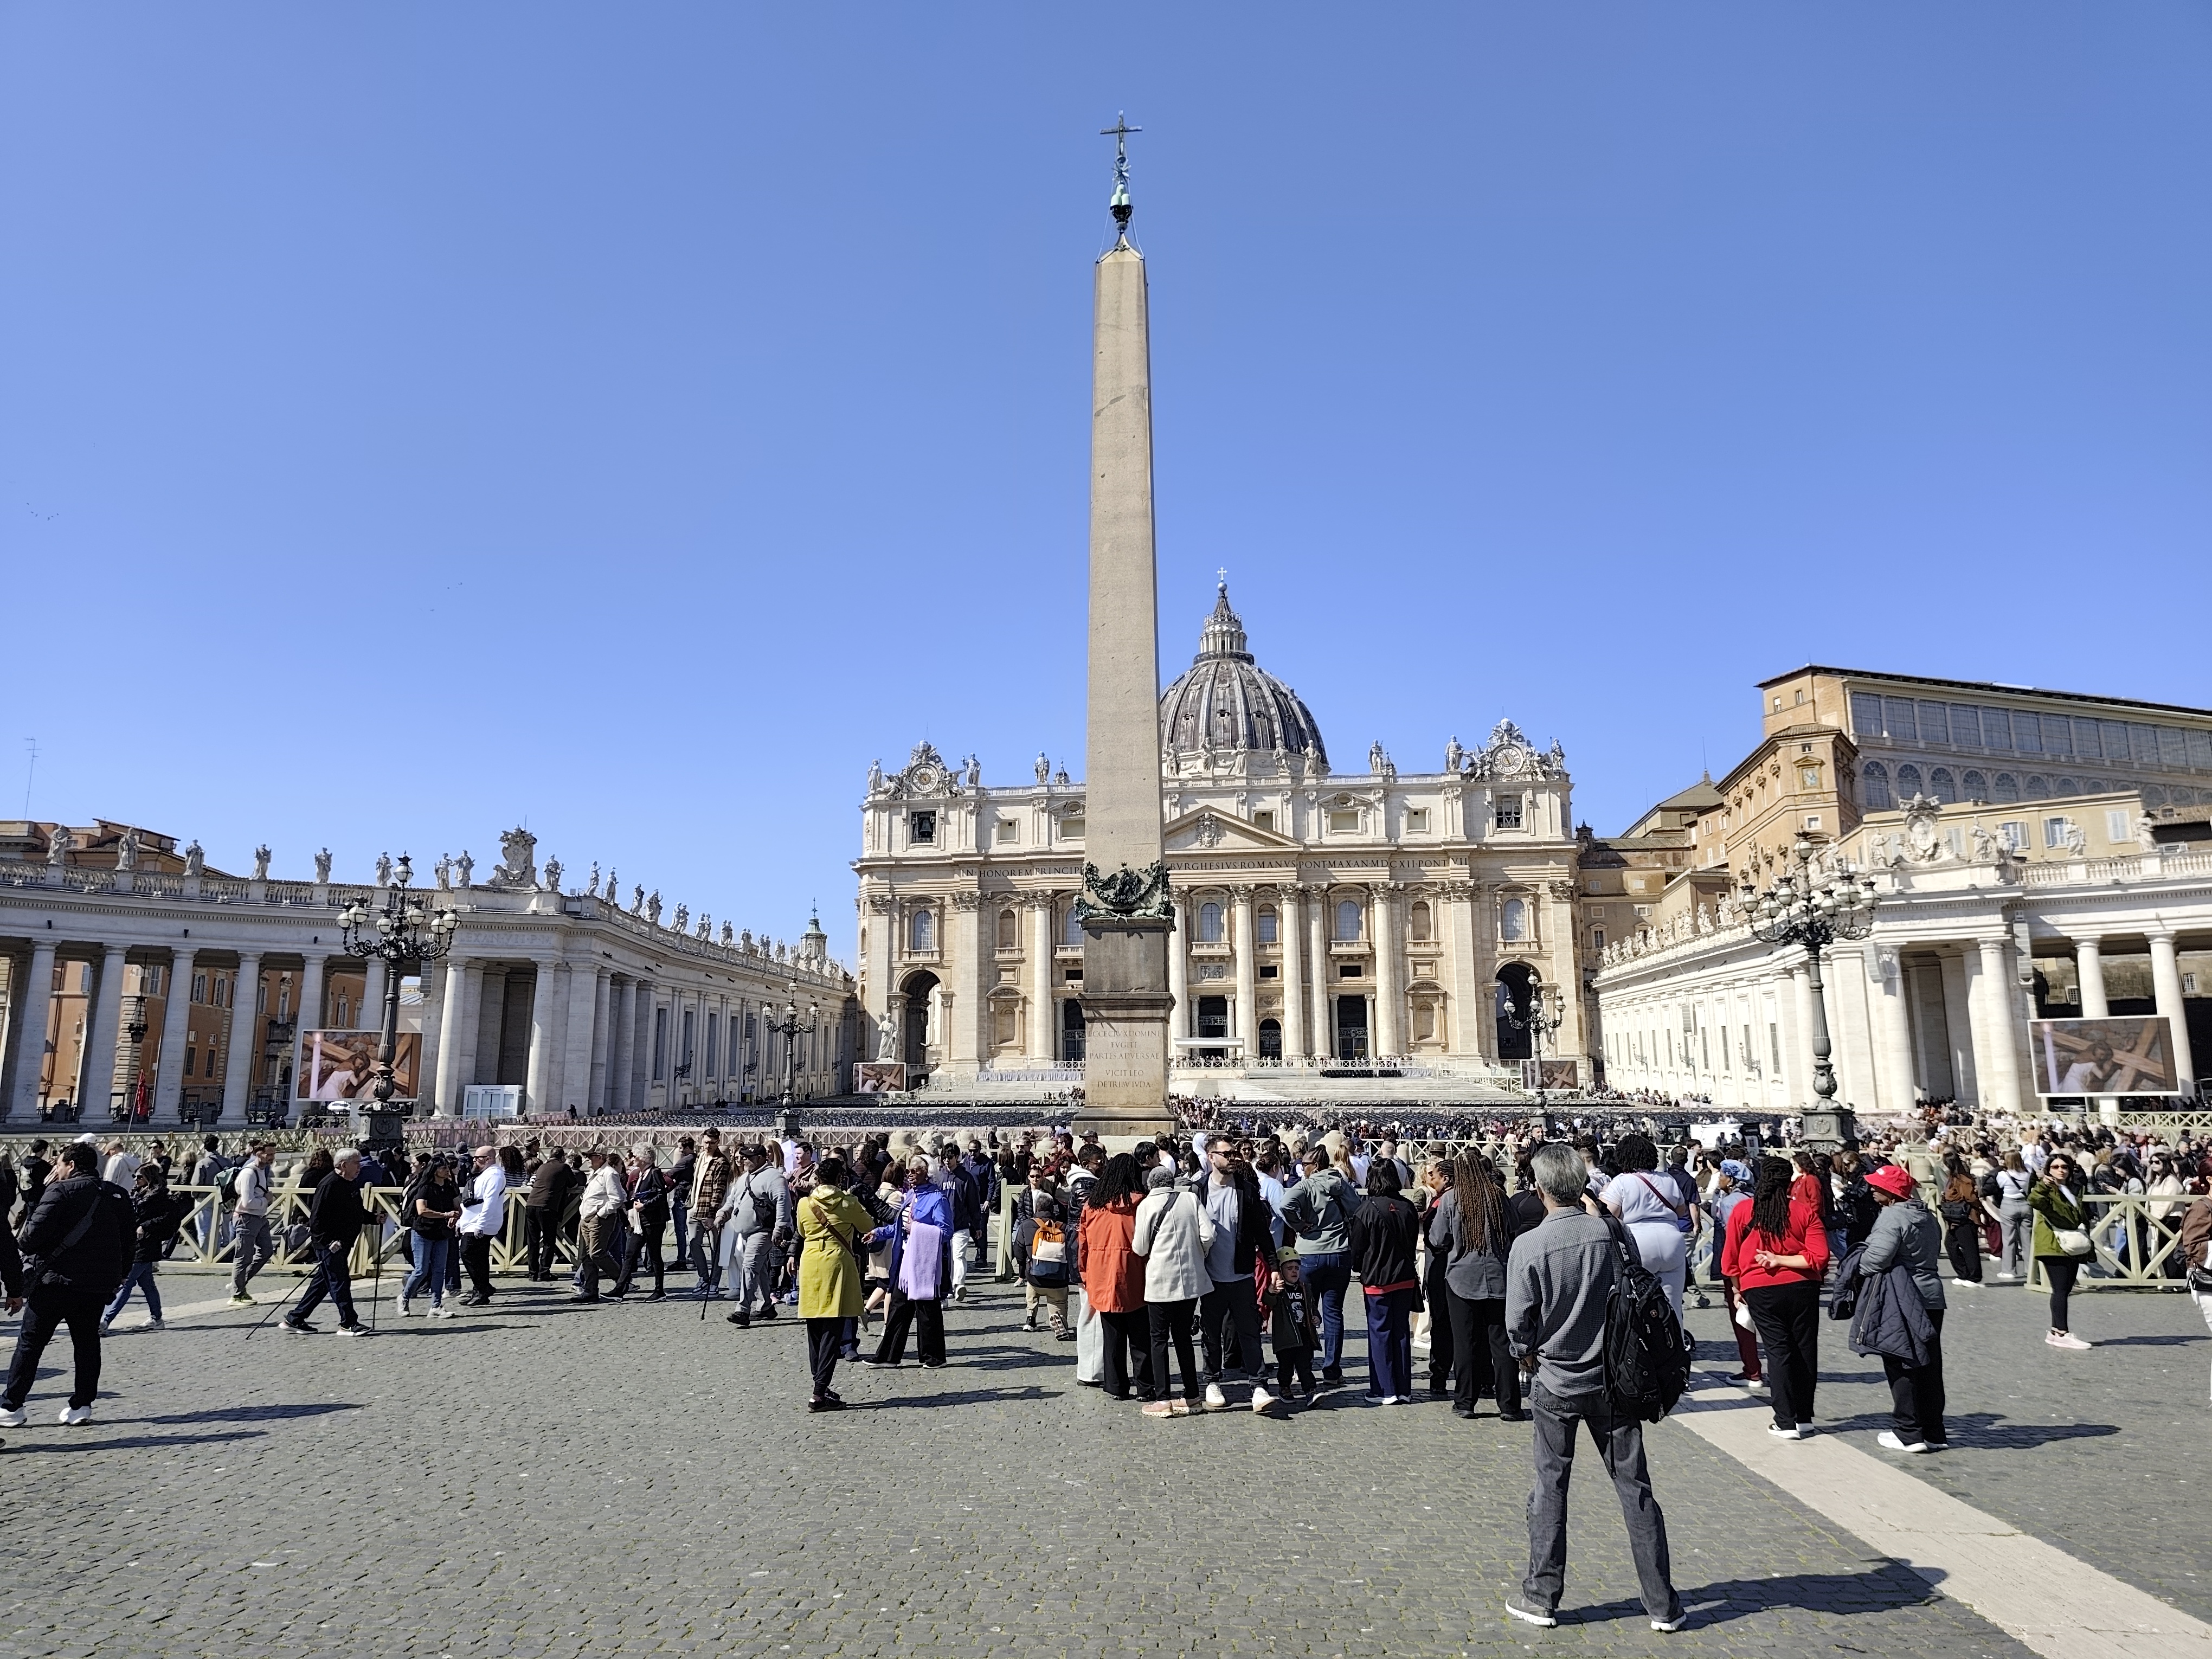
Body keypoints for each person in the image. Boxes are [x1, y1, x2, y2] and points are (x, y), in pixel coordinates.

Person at [1503, 1142, 1686, 1632]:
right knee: (1635, 1488)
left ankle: (1541, 1596)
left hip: (1556, 1381)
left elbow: (1518, 1324)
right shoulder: (1612, 1234)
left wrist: (1527, 1352)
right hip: (1614, 1379)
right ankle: (1662, 1604)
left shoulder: (1529, 1246)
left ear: (1539, 1190)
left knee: (1551, 1486)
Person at [1, 1142, 136, 1427]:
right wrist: (122, 1274)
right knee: (87, 1345)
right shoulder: (117, 1194)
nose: (57, 1169)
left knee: (30, 1344)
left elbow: (29, 1238)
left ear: (71, 1165)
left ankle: (12, 1405)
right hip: (96, 1285)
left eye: (60, 1164)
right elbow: (128, 1241)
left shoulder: (60, 1191)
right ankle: (82, 1406)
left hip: (54, 1282)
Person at [1722, 1155, 1830, 1439]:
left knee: (1778, 1351)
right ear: (1789, 1183)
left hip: (1760, 1288)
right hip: (1803, 1286)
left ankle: (1785, 1421)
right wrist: (1785, 1259)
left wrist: (1737, 1290)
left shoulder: (1744, 1211)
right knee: (1805, 1350)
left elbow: (1730, 1260)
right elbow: (1819, 1257)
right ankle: (1804, 1417)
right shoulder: (1804, 1212)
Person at [1859, 1163, 1948, 1452]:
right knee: (1929, 1365)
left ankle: (1908, 1433)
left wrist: (1857, 1264)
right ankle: (1934, 1431)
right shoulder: (1928, 1216)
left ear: (1893, 1193)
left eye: (1878, 1186)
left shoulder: (1892, 1216)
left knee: (1901, 1361)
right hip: (1932, 1295)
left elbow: (1877, 1258)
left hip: (1902, 1296)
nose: (1872, 1189)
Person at [1433, 1150, 1522, 1420]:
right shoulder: (1498, 1195)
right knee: (1502, 1343)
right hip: (1499, 1276)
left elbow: (1438, 1238)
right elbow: (1514, 1225)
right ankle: (1509, 1405)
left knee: (1466, 1343)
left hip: (1462, 1278)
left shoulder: (1451, 1199)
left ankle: (1465, 1402)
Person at [795, 1157, 889, 1412]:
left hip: (810, 1262)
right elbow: (868, 1225)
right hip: (836, 1262)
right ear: (840, 1179)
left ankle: (820, 1385)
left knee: (814, 1327)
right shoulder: (848, 1203)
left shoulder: (805, 1204)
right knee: (833, 1328)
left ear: (817, 1179)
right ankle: (818, 1393)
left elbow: (802, 1232)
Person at [1133, 1165, 1216, 1419]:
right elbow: (1208, 1235)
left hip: (1161, 1282)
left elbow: (1140, 1248)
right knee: (1183, 1338)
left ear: (1150, 1185)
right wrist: (1199, 1254)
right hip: (1190, 1282)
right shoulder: (1190, 1199)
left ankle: (1163, 1399)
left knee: (1158, 1340)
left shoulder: (1146, 1205)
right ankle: (1192, 1396)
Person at [1199, 1149, 1275, 1410]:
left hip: (1242, 1275)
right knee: (1211, 1333)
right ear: (1211, 1157)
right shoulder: (1198, 1191)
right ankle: (1212, 1381)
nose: (1233, 1158)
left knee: (1250, 1332)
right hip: (1210, 1277)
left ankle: (1259, 1386)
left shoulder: (1246, 1190)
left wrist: (1274, 1265)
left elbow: (1262, 1232)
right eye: (1227, 1153)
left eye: (1235, 1153)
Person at [1279, 1144, 1360, 1385]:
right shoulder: (1340, 1183)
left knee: (1304, 1311)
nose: (1302, 1168)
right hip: (1340, 1252)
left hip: (1310, 1253)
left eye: (1305, 1165)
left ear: (1315, 1166)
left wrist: (1299, 1225)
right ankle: (1332, 1371)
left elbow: (1285, 1205)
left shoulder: (1306, 1186)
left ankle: (1303, 1368)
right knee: (1334, 1313)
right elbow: (1357, 1208)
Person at [1077, 1153, 1152, 1402]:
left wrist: (1085, 1274)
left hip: (1101, 1277)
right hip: (1136, 1275)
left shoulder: (1092, 1206)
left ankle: (1116, 1386)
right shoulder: (1141, 1204)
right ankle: (1145, 1387)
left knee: (1112, 1338)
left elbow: (1083, 1245)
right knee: (1141, 1338)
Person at [867, 1156, 954, 1368]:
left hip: (925, 1262)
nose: (910, 1174)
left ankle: (934, 1357)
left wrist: (917, 1229)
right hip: (906, 1260)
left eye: (916, 1171)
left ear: (928, 1173)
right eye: (908, 1171)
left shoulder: (938, 1199)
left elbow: (946, 1232)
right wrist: (878, 1233)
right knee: (898, 1306)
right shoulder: (910, 1196)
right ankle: (888, 1356)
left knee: (927, 1310)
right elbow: (900, 1227)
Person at [1347, 1158, 1420, 1406]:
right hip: (1404, 1277)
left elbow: (1357, 1249)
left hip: (1377, 1279)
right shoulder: (1408, 1207)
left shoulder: (1366, 1210)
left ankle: (1385, 1389)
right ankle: (1403, 1389)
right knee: (1401, 1333)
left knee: (1380, 1333)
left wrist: (1359, 1267)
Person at [1600, 1133, 1691, 1323]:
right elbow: (1682, 1210)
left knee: (1638, 1305)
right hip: (1672, 1241)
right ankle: (1675, 1340)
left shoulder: (1621, 1181)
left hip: (1639, 1242)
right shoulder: (1668, 1180)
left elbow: (1609, 1214)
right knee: (1673, 1306)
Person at [283, 1148, 371, 1337]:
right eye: (356, 1163)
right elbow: (316, 1219)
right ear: (343, 1165)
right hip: (330, 1244)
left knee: (322, 1284)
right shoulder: (329, 1184)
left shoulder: (351, 1183)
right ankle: (348, 1323)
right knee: (340, 1282)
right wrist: (328, 1241)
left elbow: (356, 1211)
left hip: (343, 1242)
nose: (360, 1167)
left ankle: (295, 1318)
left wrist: (374, 1218)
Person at [101, 1163, 187, 1333]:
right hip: (136, 1242)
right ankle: (157, 1318)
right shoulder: (139, 1192)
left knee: (127, 1283)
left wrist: (146, 1226)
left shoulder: (160, 1197)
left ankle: (105, 1322)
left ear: (149, 1177)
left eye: (140, 1177)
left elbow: (167, 1218)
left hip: (146, 1243)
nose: (136, 1179)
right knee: (148, 1284)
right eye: (135, 1176)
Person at [721, 1142, 793, 1326]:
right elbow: (732, 1200)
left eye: (748, 1158)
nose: (744, 1160)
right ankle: (766, 1306)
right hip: (746, 1231)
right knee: (759, 1270)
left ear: (760, 1158)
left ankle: (742, 1310)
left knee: (750, 1266)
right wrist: (723, 1213)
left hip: (763, 1230)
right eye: (743, 1157)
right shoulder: (744, 1177)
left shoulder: (774, 1177)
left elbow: (783, 1203)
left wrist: (779, 1228)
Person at [2029, 1152, 2095, 1350]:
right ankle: (2062, 1333)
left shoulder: (2074, 1189)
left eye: (2065, 1167)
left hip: (2072, 1243)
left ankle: (2055, 1332)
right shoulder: (2044, 1188)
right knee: (2059, 1290)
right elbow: (2034, 1200)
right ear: (2048, 1170)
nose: (2061, 1170)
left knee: (2065, 1289)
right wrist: (2043, 1185)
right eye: (2056, 1167)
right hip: (2052, 1243)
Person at [1706, 1160, 1761, 1387]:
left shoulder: (1730, 1203)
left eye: (1721, 1176)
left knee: (1743, 1320)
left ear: (1730, 1179)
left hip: (1740, 1267)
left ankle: (1752, 1370)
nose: (1718, 1179)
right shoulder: (1755, 1199)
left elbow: (1732, 1238)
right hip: (1760, 1262)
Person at [399, 1156, 462, 1317]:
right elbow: (422, 1210)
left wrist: (455, 1216)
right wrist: (446, 1215)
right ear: (435, 1171)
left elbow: (458, 1207)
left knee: (439, 1270)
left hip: (442, 1233)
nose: (447, 1170)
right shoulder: (425, 1187)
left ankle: (436, 1306)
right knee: (421, 1270)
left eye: (447, 1167)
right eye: (443, 1168)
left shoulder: (450, 1187)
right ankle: (404, 1298)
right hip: (423, 1232)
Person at [454, 1144, 508, 1307]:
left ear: (489, 1159)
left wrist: (481, 1224)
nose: (474, 1161)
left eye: (478, 1158)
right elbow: (470, 1200)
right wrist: (461, 1221)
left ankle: (483, 1288)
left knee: (467, 1252)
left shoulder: (495, 1175)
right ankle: (480, 1290)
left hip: (481, 1222)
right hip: (473, 1220)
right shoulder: (483, 1174)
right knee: (480, 1257)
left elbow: (490, 1202)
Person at [1263, 1255, 1319, 1408]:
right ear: (1281, 1271)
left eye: (1297, 1268)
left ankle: (1310, 1391)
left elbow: (1312, 1305)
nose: (1294, 1272)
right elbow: (1268, 1301)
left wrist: (1316, 1317)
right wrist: (1271, 1290)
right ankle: (1284, 1388)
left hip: (1304, 1336)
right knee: (1285, 1367)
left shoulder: (1304, 1287)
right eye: (1289, 1269)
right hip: (1285, 1337)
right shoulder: (1279, 1290)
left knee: (1305, 1366)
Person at [614, 1147, 671, 1301]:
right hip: (642, 1222)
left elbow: (661, 1195)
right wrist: (628, 1205)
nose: (633, 1158)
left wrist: (645, 1205)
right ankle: (619, 1289)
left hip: (654, 1221)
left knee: (654, 1255)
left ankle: (659, 1291)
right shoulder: (642, 1174)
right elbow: (642, 1196)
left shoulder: (654, 1173)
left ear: (644, 1158)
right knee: (630, 1253)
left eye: (635, 1156)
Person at [572, 1148, 627, 1302]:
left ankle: (622, 1281)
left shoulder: (609, 1174)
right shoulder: (595, 1173)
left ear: (601, 1157)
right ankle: (590, 1290)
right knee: (586, 1256)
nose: (588, 1159)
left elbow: (617, 1199)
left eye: (591, 1156)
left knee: (597, 1253)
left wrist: (600, 1214)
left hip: (600, 1219)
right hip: (587, 1218)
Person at [227, 1141, 278, 1306]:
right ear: (259, 1154)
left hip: (259, 1218)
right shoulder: (249, 1174)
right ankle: (237, 1295)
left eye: (274, 1154)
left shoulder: (262, 1171)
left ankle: (238, 1284)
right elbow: (247, 1202)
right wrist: (266, 1200)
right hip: (246, 1218)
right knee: (244, 1256)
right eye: (269, 1154)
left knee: (267, 1251)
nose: (272, 1157)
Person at [687, 1128, 732, 1297]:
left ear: (718, 1142)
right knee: (694, 1243)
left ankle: (714, 1283)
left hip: (711, 1211)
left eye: (713, 1143)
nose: (709, 1146)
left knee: (715, 1249)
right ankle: (704, 1278)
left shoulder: (721, 1162)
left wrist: (713, 1215)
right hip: (696, 1207)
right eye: (707, 1142)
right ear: (702, 1141)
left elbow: (718, 1191)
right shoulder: (700, 1158)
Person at [522, 1143, 574, 1282]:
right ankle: (544, 1272)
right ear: (562, 1157)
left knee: (533, 1241)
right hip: (547, 1206)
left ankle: (533, 1273)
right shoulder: (564, 1167)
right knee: (549, 1241)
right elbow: (573, 1184)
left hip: (531, 1204)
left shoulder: (542, 1167)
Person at [1990, 1150, 2033, 1282]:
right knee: (2028, 1240)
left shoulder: (2003, 1175)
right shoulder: (2028, 1174)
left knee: (2009, 1239)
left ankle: (2009, 1271)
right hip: (2025, 1204)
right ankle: (2031, 1270)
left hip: (2009, 1204)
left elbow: (1999, 1186)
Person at [1939, 1166, 1984, 1288]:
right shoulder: (1951, 1178)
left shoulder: (1962, 1179)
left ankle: (1974, 1277)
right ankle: (1964, 1273)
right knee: (1950, 1244)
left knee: (1969, 1247)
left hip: (1965, 1216)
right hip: (1955, 1217)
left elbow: (1970, 1197)